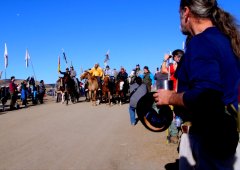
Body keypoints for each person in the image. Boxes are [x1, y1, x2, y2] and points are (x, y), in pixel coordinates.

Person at [153, 0, 240, 169]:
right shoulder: (227, 40)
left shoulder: (201, 42)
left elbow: (206, 96)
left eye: (179, 15)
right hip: (228, 136)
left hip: (208, 140)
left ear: (186, 12)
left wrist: (170, 97)